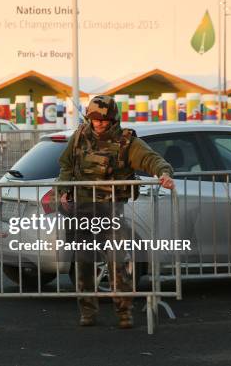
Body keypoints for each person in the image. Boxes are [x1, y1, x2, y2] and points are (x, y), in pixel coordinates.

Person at [57, 95, 175, 329]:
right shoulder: (80, 136)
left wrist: (164, 173)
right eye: (95, 119)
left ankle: (124, 313)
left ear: (113, 119)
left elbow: (152, 159)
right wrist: (64, 189)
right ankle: (87, 312)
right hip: (82, 211)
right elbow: (66, 165)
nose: (99, 124)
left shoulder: (126, 141)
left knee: (117, 263)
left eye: (104, 120)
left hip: (111, 210)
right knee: (83, 264)